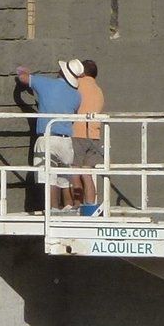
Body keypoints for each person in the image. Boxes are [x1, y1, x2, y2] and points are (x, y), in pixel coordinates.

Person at [14, 63, 80, 213]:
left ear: (61, 72)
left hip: (48, 137)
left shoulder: (46, 83)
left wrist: (25, 71)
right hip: (66, 140)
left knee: (48, 177)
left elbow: (22, 78)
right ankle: (68, 207)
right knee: (64, 178)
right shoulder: (77, 95)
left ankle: (53, 208)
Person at [64, 58, 106, 217]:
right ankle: (90, 207)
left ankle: (76, 205)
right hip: (94, 135)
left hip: (78, 132)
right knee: (87, 174)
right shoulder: (99, 90)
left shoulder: (79, 85)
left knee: (75, 171)